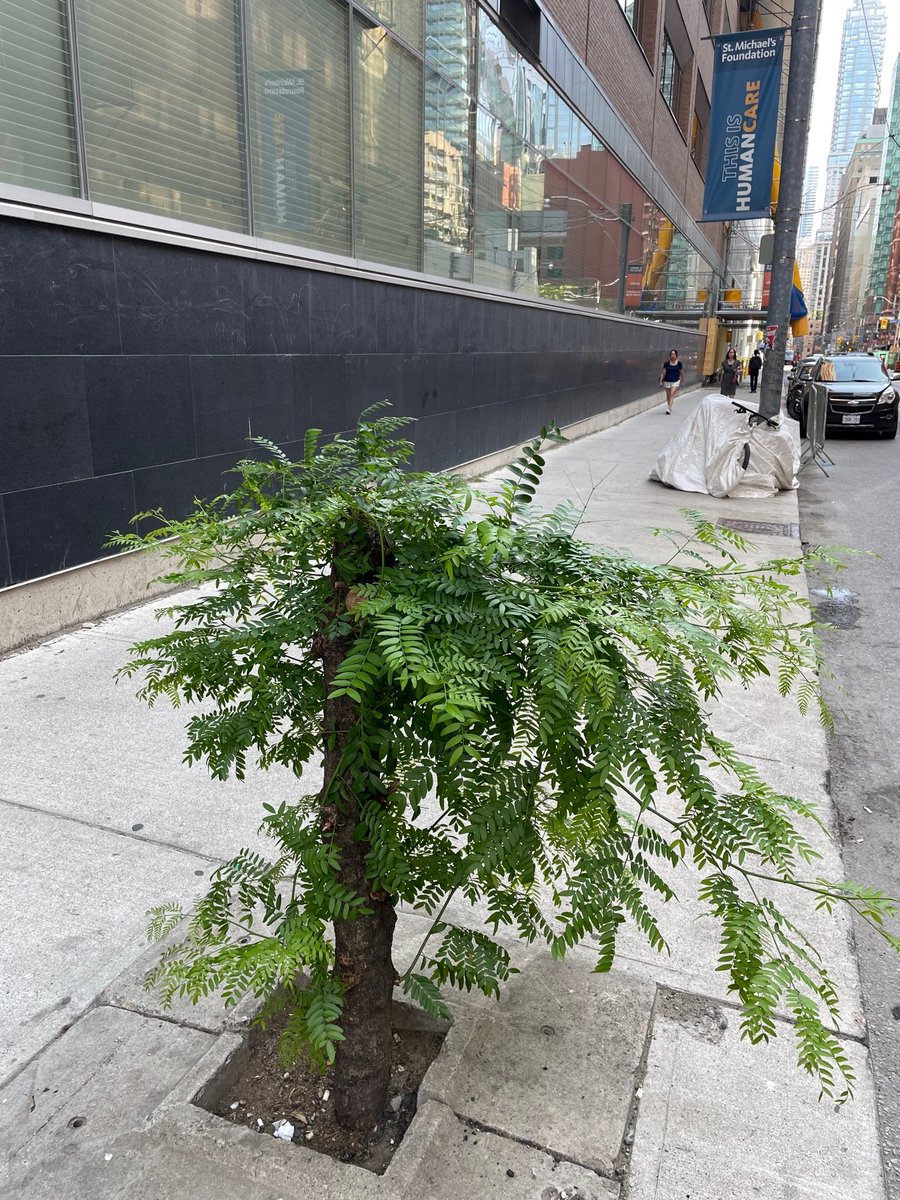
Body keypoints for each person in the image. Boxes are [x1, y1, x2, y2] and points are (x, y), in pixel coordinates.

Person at [658, 349, 684, 413]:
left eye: (674, 354)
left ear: (676, 355)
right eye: (671, 354)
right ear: (670, 355)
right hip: (667, 380)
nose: (672, 355)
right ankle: (669, 406)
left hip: (675, 380)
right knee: (668, 396)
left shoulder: (679, 363)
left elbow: (682, 372)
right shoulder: (666, 363)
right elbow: (663, 372)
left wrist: (682, 380)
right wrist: (661, 381)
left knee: (672, 393)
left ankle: (669, 408)